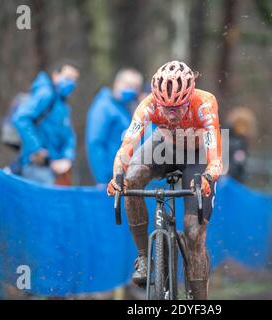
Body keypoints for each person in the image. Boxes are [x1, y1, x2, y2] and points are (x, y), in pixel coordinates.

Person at [107, 61, 222, 300]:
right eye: (165, 107)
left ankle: (199, 301)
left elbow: (216, 158)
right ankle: (143, 258)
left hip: (197, 155)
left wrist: (209, 177)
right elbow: (127, 144)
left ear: (190, 96)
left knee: (193, 232)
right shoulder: (147, 105)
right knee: (131, 179)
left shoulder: (205, 104)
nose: (171, 114)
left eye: (178, 107)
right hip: (165, 147)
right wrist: (118, 175)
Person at [12, 61, 79, 185]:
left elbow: (69, 135)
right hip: (37, 166)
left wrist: (67, 157)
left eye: (74, 80)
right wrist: (36, 149)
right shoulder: (46, 94)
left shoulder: (63, 104)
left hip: (55, 168)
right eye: (68, 77)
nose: (71, 83)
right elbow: (21, 118)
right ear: (55, 75)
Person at [86, 68, 143, 185]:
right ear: (117, 83)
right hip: (109, 178)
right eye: (128, 85)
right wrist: (102, 179)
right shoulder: (104, 107)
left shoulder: (125, 108)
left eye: (135, 87)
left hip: (123, 176)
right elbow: (95, 143)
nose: (131, 90)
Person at [225, 106, 256, 183]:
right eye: (240, 124)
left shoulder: (242, 141)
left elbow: (240, 162)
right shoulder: (231, 140)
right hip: (228, 180)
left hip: (236, 180)